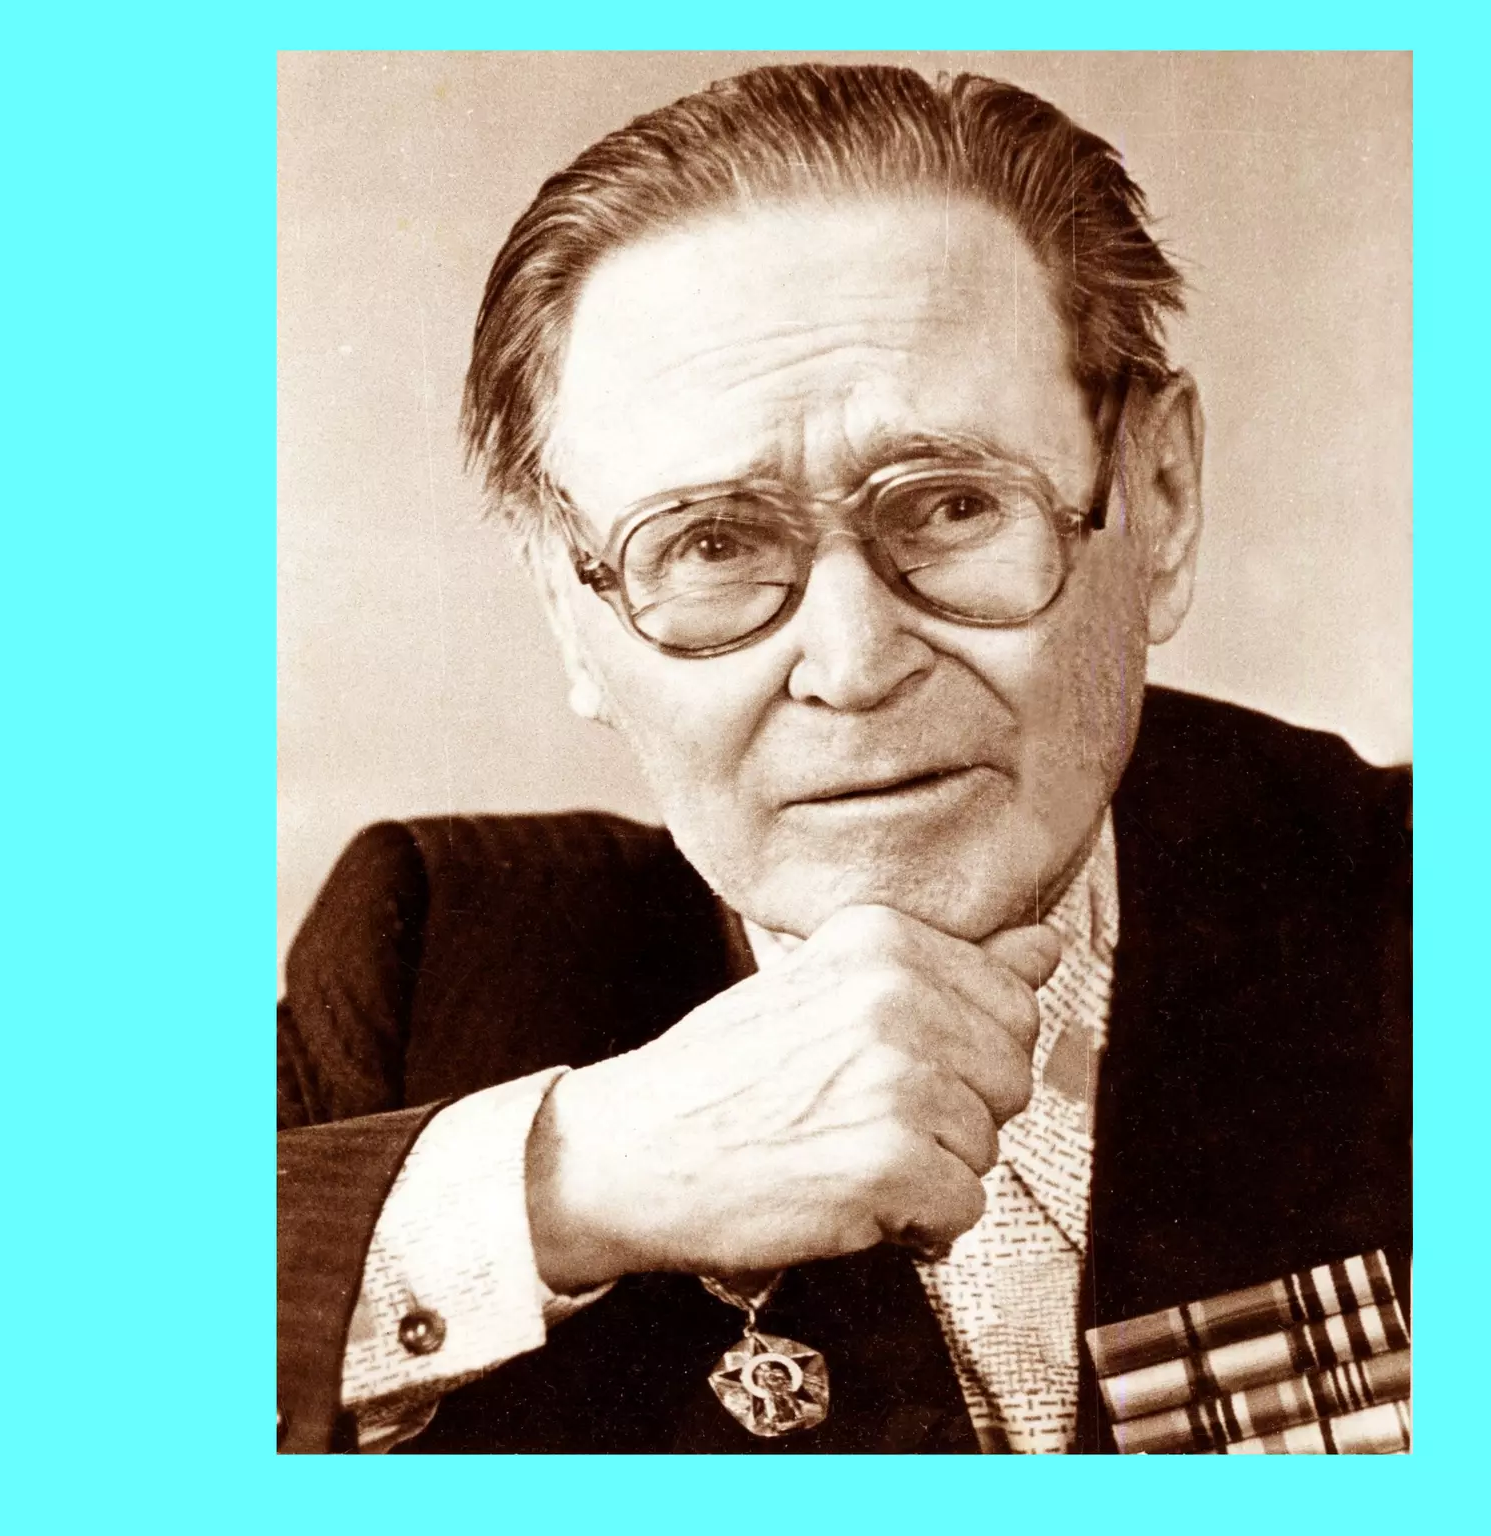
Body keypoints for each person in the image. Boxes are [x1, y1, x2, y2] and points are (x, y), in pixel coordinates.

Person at [277, 61, 1410, 1455]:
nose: (856, 663)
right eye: (710, 544)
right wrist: (561, 1185)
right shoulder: (434, 959)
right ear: (571, 616)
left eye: (951, 506)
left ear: (1160, 501)